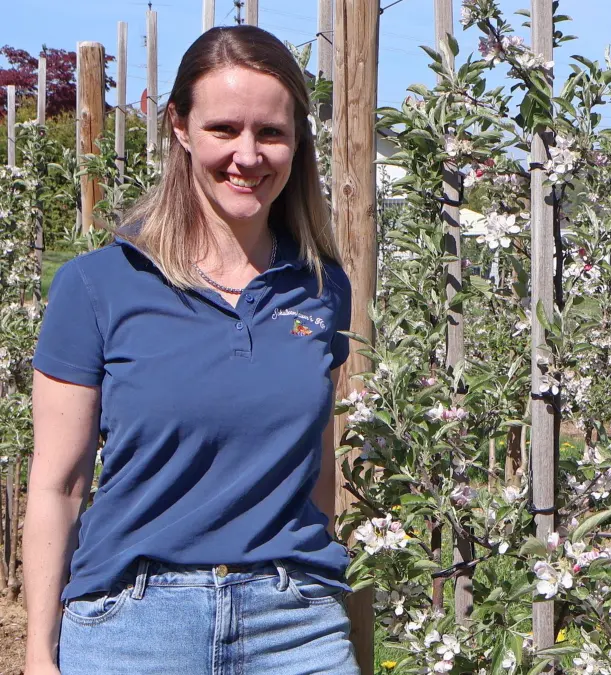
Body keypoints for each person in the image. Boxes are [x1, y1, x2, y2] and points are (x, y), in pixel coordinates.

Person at [24, 25, 358, 675]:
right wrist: (39, 650)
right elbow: (58, 483)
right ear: (179, 126)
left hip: (294, 626)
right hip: (135, 624)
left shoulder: (320, 289)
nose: (249, 154)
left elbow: (317, 466)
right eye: (224, 129)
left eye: (270, 132)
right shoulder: (98, 285)